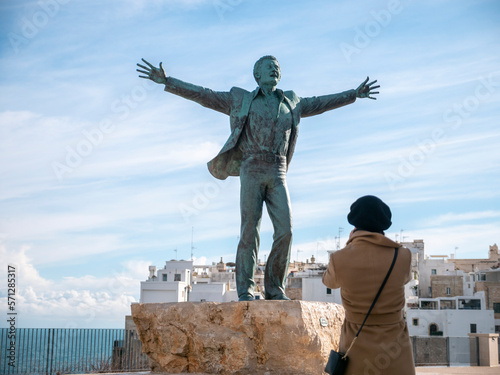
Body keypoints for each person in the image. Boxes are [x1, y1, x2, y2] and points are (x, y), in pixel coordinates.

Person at [137, 56, 379, 301]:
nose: (274, 69)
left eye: (277, 67)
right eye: (268, 67)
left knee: (286, 230)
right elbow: (204, 95)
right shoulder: (241, 99)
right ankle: (245, 291)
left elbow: (321, 103)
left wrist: (353, 94)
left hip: (278, 170)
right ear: (257, 75)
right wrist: (168, 81)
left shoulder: (292, 102)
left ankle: (275, 290)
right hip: (251, 168)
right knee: (249, 231)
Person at [322, 195, 415, 375]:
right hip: (395, 343)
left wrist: (350, 245)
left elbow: (329, 282)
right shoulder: (403, 256)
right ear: (384, 225)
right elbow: (405, 279)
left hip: (356, 340)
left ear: (354, 225)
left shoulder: (339, 258)